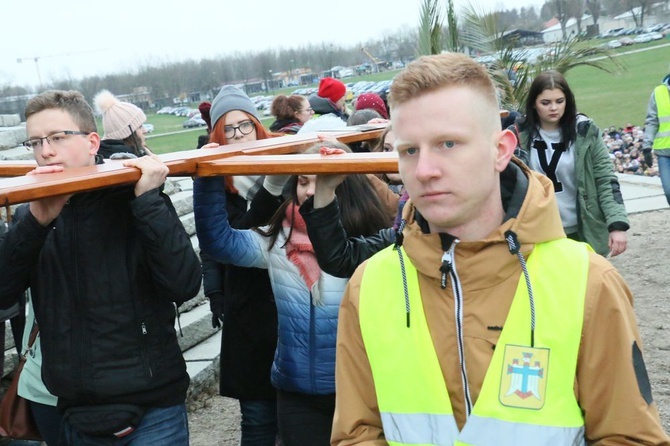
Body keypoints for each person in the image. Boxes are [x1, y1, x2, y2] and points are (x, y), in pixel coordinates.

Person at [329, 53, 670, 445]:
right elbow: (356, 434)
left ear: (502, 149)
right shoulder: (368, 286)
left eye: (448, 143)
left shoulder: (589, 283)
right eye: (409, 150)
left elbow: (630, 436)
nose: (424, 170)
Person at [0, 90, 202, 444]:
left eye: (58, 138)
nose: (45, 151)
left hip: (153, 405)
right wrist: (36, 221)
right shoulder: (30, 213)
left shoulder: (135, 195)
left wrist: (149, 204)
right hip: (75, 407)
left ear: (92, 141)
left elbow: (184, 285)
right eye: (35, 142)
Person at [194, 140, 390, 446]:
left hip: (359, 389)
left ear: (345, 184)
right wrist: (207, 178)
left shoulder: (367, 243)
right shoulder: (277, 240)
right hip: (296, 393)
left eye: (321, 181)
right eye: (302, 181)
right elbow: (218, 241)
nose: (311, 191)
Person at [201, 85, 284, 446]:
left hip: (289, 297)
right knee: (257, 417)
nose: (238, 135)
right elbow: (237, 233)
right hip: (249, 305)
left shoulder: (286, 163)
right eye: (228, 129)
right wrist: (216, 292)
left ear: (256, 125)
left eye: (244, 126)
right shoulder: (219, 183)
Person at [513, 70, 629, 257]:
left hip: (583, 228)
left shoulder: (585, 131)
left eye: (559, 101)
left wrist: (617, 225)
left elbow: (605, 179)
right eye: (545, 103)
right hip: (540, 233)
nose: (554, 108)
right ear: (534, 104)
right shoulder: (518, 135)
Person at [93, 89, 148, 158]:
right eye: (140, 126)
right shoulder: (132, 161)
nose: (145, 131)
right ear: (127, 133)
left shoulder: (104, 156)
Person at [643, 70, 670, 205]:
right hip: (664, 153)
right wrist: (647, 146)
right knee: (669, 191)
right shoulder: (658, 92)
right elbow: (652, 121)